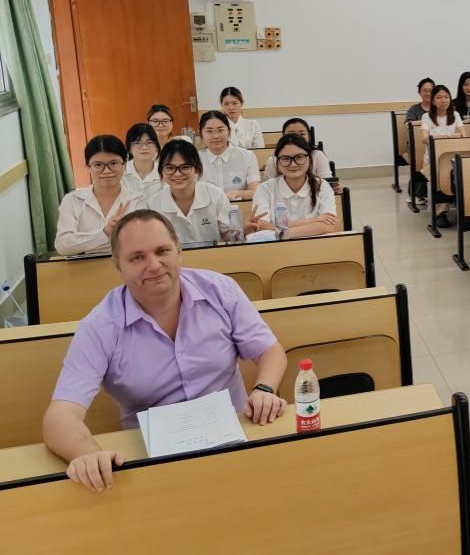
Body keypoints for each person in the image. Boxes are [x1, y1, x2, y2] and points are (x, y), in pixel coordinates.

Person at [42, 210, 288, 493]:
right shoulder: (99, 326)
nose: (154, 265)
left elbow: (270, 351)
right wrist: (87, 454)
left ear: (179, 252)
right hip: (154, 463)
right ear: (118, 266)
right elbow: (60, 417)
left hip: (236, 440)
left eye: (162, 251)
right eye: (137, 257)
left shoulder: (220, 290)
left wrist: (264, 389)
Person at [56, 136, 144, 256]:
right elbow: (63, 245)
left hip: (128, 266)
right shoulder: (72, 200)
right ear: (88, 167)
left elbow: (141, 243)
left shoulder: (138, 200)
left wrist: (83, 244)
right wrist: (105, 232)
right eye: (98, 165)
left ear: (124, 164)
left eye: (113, 163)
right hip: (83, 267)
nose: (106, 171)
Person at [251, 134, 338, 238]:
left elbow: (328, 226)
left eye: (299, 157)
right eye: (286, 158)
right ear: (277, 162)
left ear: (309, 159)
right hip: (277, 246)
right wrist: (314, 220)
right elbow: (261, 226)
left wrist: (284, 233)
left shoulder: (322, 185)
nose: (293, 164)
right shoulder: (265, 189)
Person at [148, 139, 233, 244]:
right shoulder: (153, 204)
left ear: (196, 169)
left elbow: (230, 236)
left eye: (185, 167)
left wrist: (244, 230)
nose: (177, 174)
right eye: (170, 168)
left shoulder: (216, 195)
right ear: (161, 171)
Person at [420, 85, 464, 226]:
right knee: (441, 175)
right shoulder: (426, 117)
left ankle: (465, 210)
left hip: (452, 158)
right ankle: (440, 212)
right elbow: (424, 138)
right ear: (433, 101)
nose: (443, 100)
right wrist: (444, 137)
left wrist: (456, 136)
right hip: (432, 160)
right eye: (439, 97)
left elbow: (464, 135)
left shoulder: (455, 115)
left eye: (446, 97)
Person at [198, 110, 260, 199]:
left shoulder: (247, 156)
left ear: (229, 132)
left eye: (220, 130)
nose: (216, 136)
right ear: (201, 134)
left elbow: (255, 192)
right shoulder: (195, 159)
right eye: (209, 131)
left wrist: (236, 193)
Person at [263, 117, 332, 180]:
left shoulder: (317, 155)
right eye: (291, 134)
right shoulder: (273, 160)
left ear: (309, 136)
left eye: (302, 134)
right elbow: (268, 186)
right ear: (283, 137)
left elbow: (327, 182)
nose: (297, 138)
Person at [122, 123, 163, 200]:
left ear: (156, 146)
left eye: (149, 142)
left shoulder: (165, 172)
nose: (144, 147)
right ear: (129, 148)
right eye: (137, 143)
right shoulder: (121, 172)